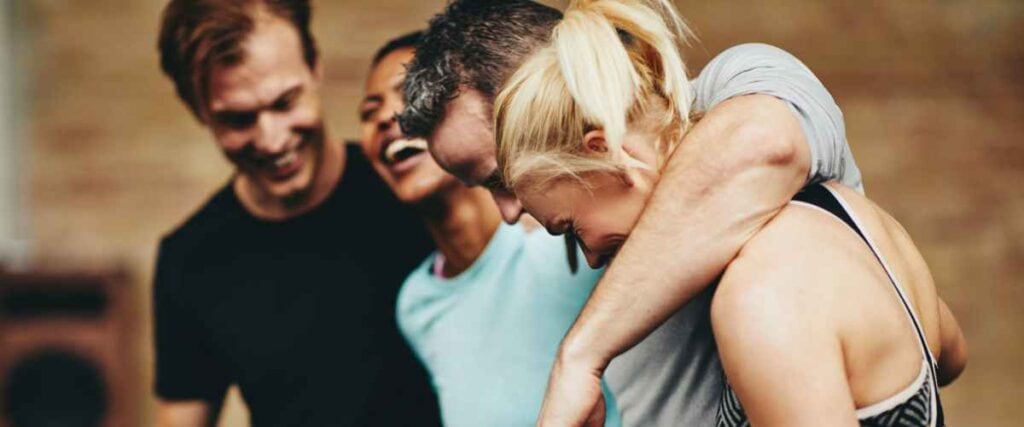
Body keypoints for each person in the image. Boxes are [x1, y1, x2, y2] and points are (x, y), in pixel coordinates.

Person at [492, 0, 968, 425]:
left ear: (605, 152)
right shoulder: (856, 218)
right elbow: (950, 352)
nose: (591, 258)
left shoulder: (760, 296)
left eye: (571, 228)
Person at [399, 0, 862, 425]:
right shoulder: (581, 239)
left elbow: (766, 146)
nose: (507, 211)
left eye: (504, 177)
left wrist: (581, 356)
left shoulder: (735, 84)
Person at [152, 1, 439, 425]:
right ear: (199, 111)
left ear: (314, 66)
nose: (271, 140)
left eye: (285, 103)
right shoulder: (190, 260)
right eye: (238, 119)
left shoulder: (418, 193)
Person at [356, 31, 622, 427]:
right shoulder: (417, 303)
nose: (384, 118)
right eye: (368, 111)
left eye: (408, 94)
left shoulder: (571, 239)